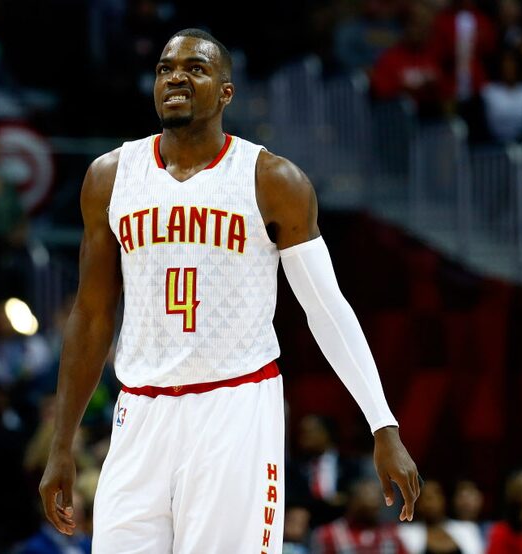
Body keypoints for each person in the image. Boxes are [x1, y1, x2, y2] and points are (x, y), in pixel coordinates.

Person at [39, 28, 419, 553]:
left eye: (195, 68)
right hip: (140, 412)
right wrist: (62, 442)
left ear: (225, 92)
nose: (176, 76)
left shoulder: (272, 180)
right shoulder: (110, 177)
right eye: (165, 68)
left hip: (235, 410)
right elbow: (92, 313)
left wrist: (383, 425)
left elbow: (327, 309)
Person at [311, 479, 409, 554]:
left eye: (376, 499)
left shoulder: (390, 533)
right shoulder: (329, 534)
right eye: (365, 498)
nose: (372, 502)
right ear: (352, 501)